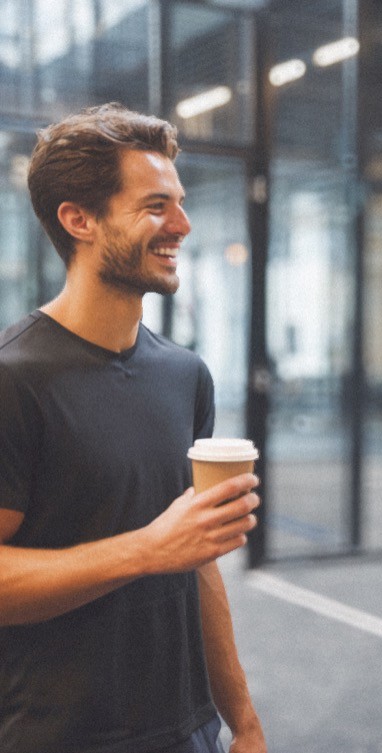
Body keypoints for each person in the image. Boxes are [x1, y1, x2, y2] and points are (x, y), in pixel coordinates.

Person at [0, 104, 266, 753]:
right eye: (155, 206)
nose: (182, 224)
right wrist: (149, 548)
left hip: (187, 731)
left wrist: (243, 719)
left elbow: (198, 560)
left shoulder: (185, 375)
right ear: (79, 219)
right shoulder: (14, 379)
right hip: (58, 737)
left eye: (180, 203)